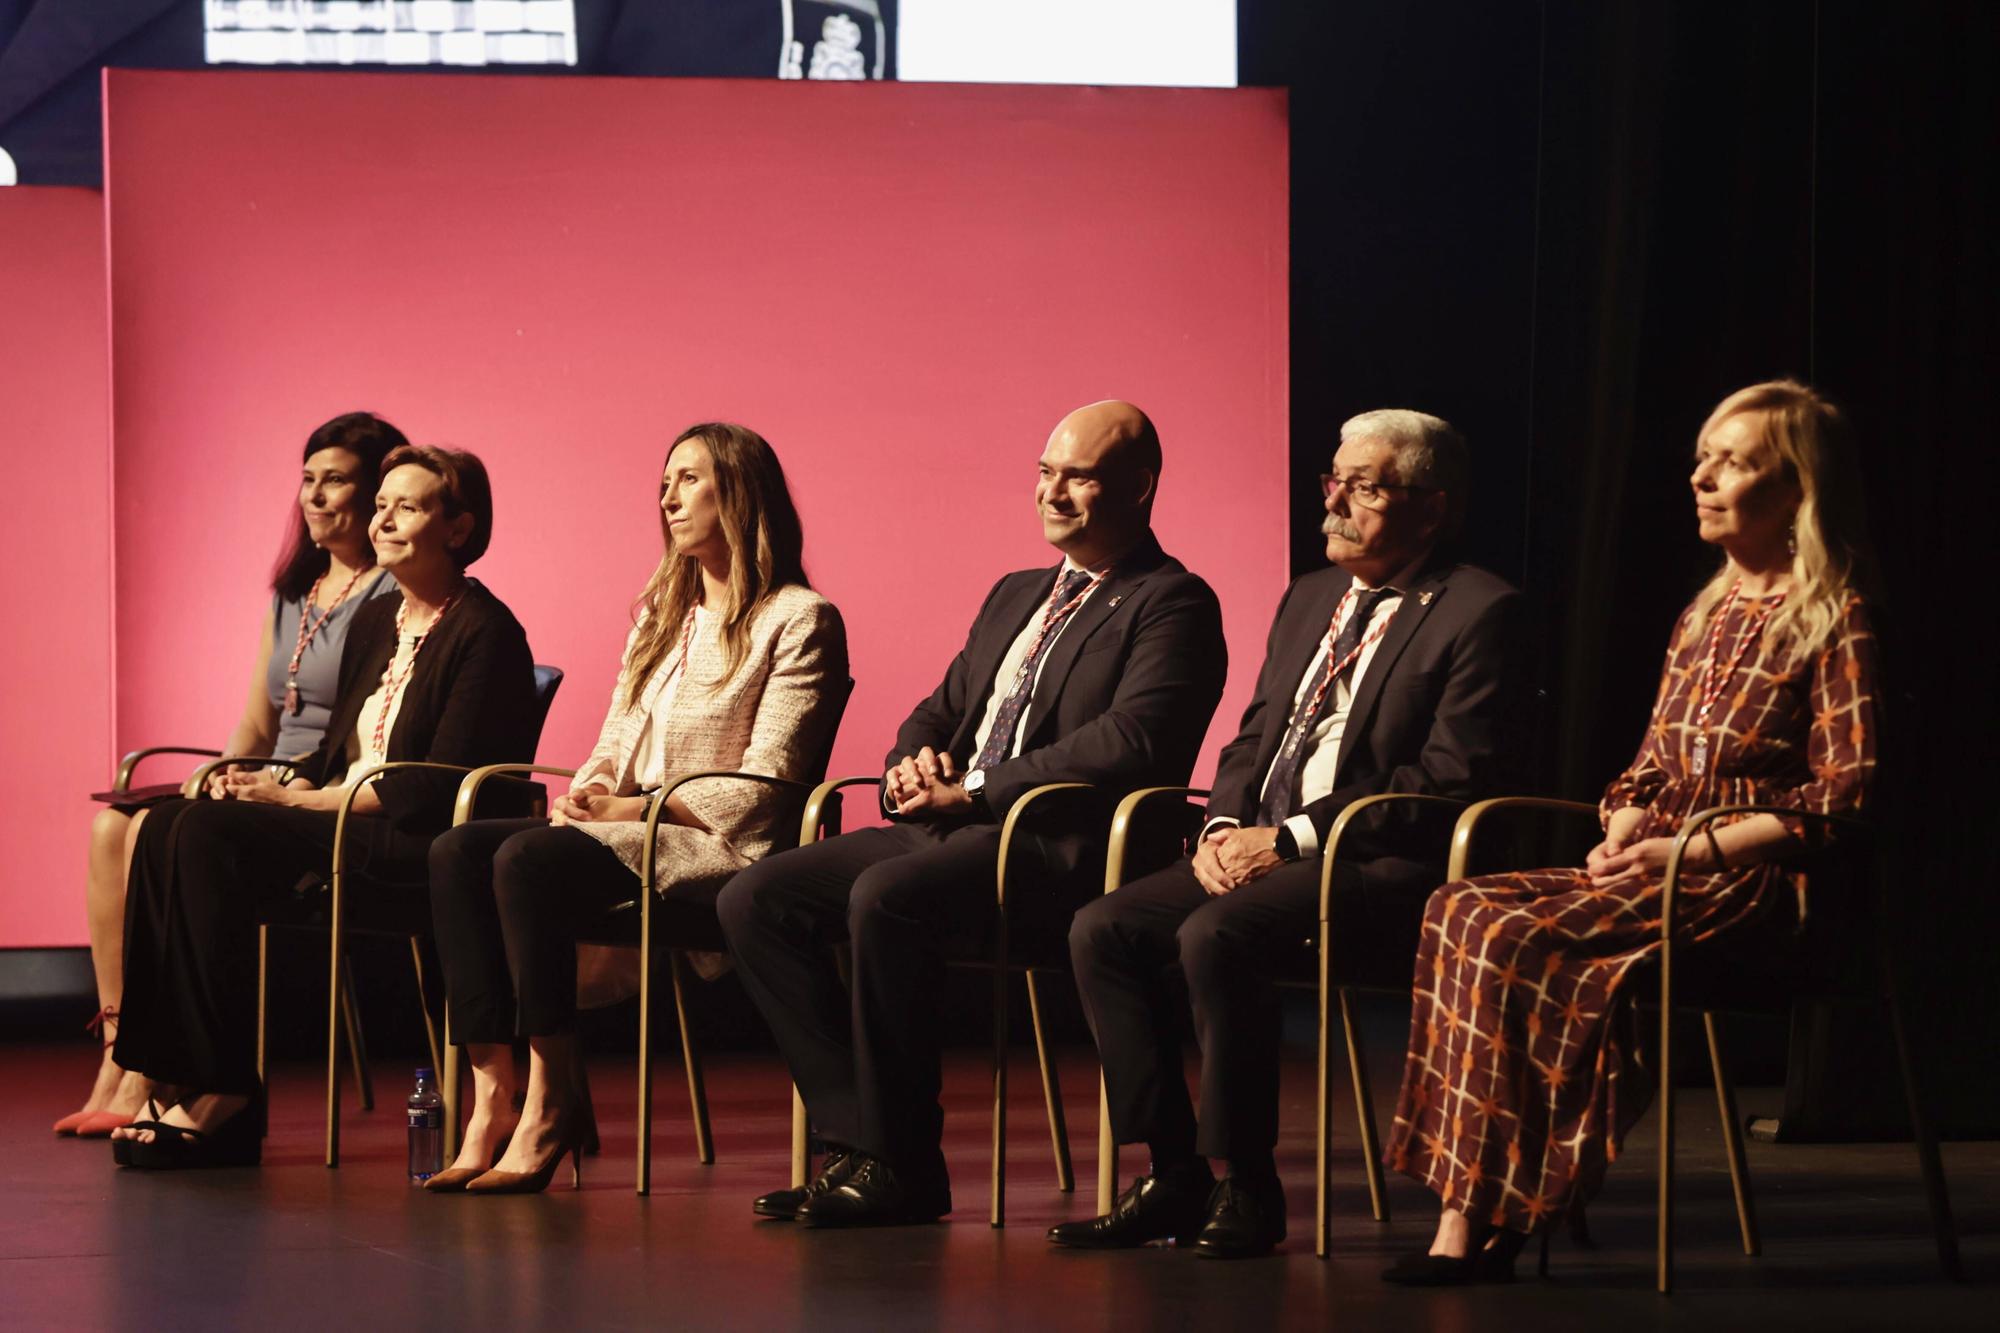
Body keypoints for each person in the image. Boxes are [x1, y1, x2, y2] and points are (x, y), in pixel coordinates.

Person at [1379, 380, 1880, 1285]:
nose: (1702, 477)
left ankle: (1502, 1209)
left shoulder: (1835, 616)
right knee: (1459, 906)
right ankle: (1471, 1205)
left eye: (1732, 462)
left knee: (1512, 933)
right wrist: (1625, 817)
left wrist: (1690, 847)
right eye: (1702, 458)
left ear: (1797, 485)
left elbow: (1844, 796)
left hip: (1755, 882)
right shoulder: (1705, 612)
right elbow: (1649, 760)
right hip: (1661, 862)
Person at [718, 400, 1227, 1227]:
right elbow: (941, 706)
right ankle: (860, 1142)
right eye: (1045, 472)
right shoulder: (1016, 594)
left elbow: (1131, 739)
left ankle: (905, 1163)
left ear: (1140, 487)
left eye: (1080, 477)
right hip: (946, 828)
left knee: (886, 894)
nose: (1053, 492)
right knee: (756, 898)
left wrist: (982, 790)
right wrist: (908, 766)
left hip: (1059, 842)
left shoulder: (1170, 601)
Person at [1054, 409, 1524, 1259]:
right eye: (1333, 480)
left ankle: (1248, 1182)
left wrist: (1292, 838)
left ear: (1432, 508)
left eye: (1368, 486)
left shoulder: (1478, 608)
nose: (1338, 500)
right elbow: (1254, 732)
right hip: (1258, 843)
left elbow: (1448, 779)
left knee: (1216, 935)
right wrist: (1226, 823)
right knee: (1105, 928)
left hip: (1378, 857)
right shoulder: (1310, 595)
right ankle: (1172, 1171)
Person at [424, 423, 848, 1194]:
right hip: (621, 829)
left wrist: (634, 807)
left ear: (740, 491)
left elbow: (766, 787)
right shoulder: (662, 615)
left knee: (525, 857)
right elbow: (615, 736)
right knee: (457, 851)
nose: (668, 495)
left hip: (712, 847)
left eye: (689, 478)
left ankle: (553, 1097)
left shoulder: (799, 619)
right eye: (664, 481)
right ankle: (494, 1095)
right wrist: (589, 789)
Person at [109, 445, 539, 1168]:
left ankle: (226, 1092)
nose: (384, 521)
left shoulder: (487, 633)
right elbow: (342, 747)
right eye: (382, 505)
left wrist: (300, 802)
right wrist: (269, 779)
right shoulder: (380, 622)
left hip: (413, 840)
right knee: (165, 824)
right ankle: (178, 1072)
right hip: (347, 815)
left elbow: (427, 787)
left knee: (210, 839)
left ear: (458, 528)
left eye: (408, 506)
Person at [55, 411, 406, 1138]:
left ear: (373, 491)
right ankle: (120, 1051)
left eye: (335, 479)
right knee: (107, 828)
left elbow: (362, 733)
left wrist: (271, 784)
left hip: (319, 787)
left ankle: (158, 1067)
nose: (314, 495)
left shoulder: (391, 595)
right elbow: (255, 724)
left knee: (156, 830)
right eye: (307, 479)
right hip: (262, 775)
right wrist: (220, 769)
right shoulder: (294, 593)